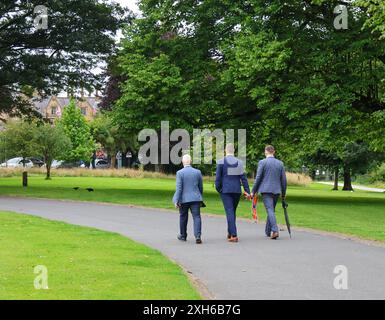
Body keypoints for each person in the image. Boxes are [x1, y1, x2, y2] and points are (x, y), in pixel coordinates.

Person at [251, 145, 287, 240]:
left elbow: (258, 178)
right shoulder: (280, 163)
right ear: (274, 152)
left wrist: (253, 191)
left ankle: (275, 230)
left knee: (270, 209)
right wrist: (283, 193)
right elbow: (283, 180)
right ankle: (268, 231)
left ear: (265, 152)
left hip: (266, 190)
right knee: (271, 209)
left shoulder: (262, 162)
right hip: (276, 190)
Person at [215, 144, 250, 243]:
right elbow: (244, 178)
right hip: (236, 190)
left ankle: (234, 235)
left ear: (225, 150)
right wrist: (247, 191)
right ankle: (230, 233)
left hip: (226, 190)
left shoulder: (221, 162)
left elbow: (217, 179)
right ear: (233, 151)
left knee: (230, 211)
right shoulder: (239, 162)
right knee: (232, 211)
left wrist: (219, 189)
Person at [172, 154, 204, 244]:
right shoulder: (197, 172)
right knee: (197, 217)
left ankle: (183, 235)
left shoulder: (180, 173)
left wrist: (176, 200)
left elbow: (179, 188)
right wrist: (199, 196)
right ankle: (198, 236)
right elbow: (200, 187)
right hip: (195, 198)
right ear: (191, 161)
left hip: (184, 199)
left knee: (183, 216)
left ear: (182, 162)